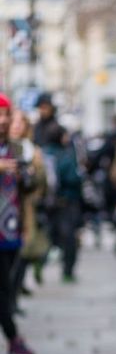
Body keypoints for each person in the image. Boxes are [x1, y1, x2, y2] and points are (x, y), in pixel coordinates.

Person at [0, 93, 35, 354]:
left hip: (11, 230)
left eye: (5, 114)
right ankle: (14, 339)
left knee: (7, 289)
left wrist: (27, 173)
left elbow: (32, 188)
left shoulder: (18, 148)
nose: (2, 121)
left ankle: (13, 339)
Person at [9, 109, 48, 300]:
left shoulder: (32, 150)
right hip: (8, 209)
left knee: (20, 257)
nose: (16, 126)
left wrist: (32, 173)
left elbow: (42, 182)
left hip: (25, 210)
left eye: (20, 122)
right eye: (13, 121)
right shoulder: (6, 147)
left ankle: (12, 300)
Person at [43, 123, 82, 282]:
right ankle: (68, 270)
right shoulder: (65, 155)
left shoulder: (44, 153)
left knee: (50, 235)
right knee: (69, 239)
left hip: (48, 203)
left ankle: (42, 258)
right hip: (67, 202)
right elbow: (73, 178)